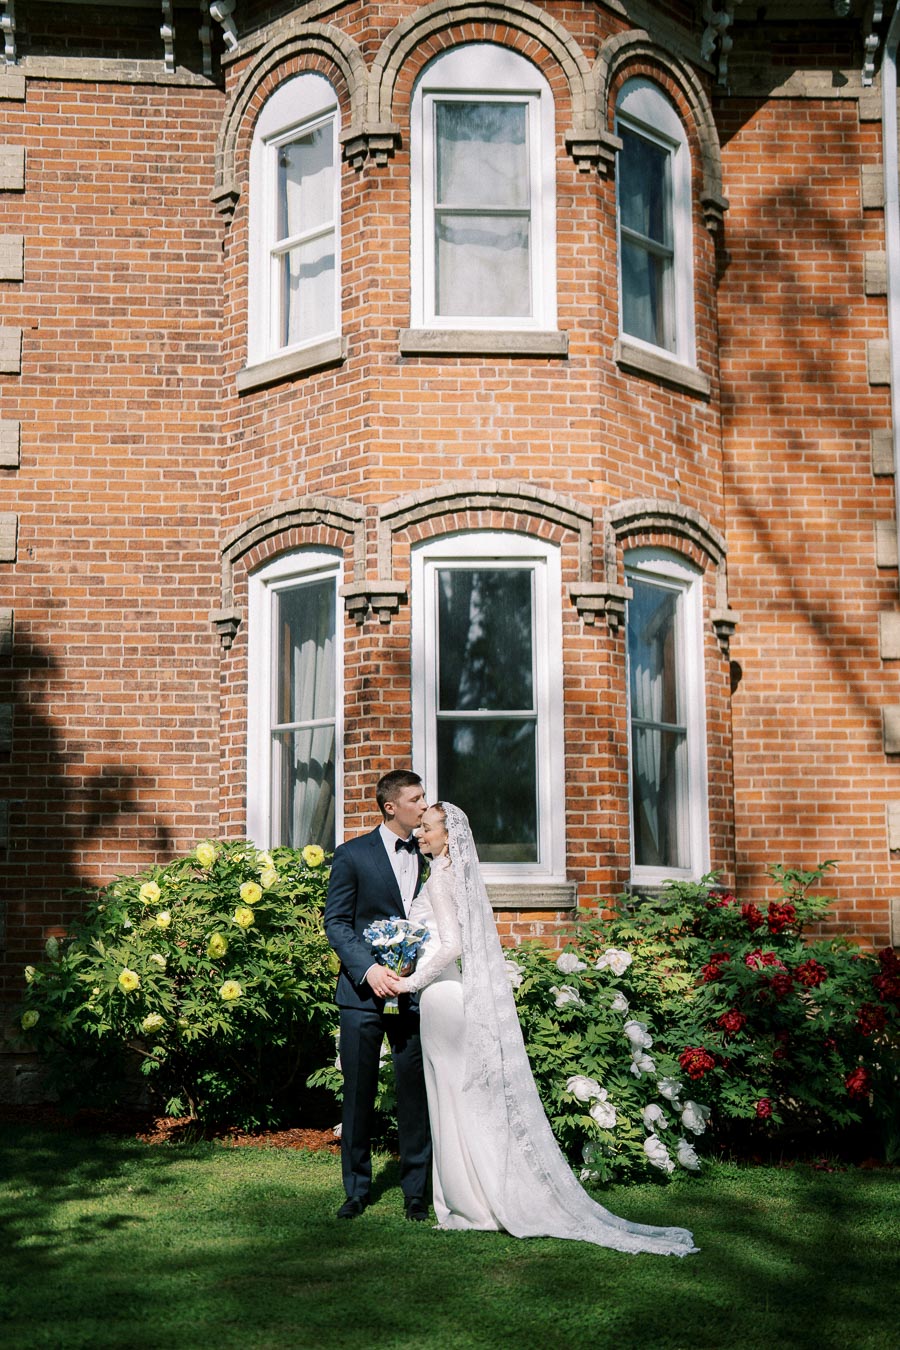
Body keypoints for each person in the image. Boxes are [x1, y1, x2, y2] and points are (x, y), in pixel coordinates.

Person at [394, 801, 699, 1256]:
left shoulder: (441, 879)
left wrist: (409, 980)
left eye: (427, 828)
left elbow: (452, 945)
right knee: (459, 1102)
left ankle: (468, 1208)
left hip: (441, 996)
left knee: (451, 1104)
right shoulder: (453, 877)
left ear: (448, 837)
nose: (420, 834)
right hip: (450, 998)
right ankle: (469, 1202)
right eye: (419, 828)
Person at [323, 768, 432, 1221]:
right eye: (416, 799)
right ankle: (356, 1190)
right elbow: (337, 922)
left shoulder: (430, 855)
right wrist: (369, 970)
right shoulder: (351, 855)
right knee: (358, 1093)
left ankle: (415, 1193)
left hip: (412, 995)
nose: (424, 806)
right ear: (391, 807)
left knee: (414, 1093)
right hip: (361, 995)